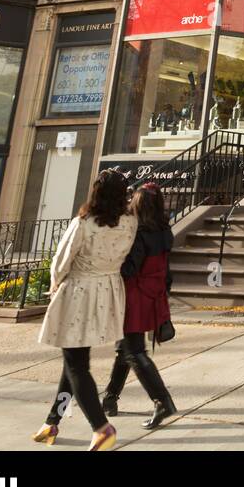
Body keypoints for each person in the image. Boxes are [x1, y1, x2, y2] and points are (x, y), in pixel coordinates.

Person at [33, 169, 137, 451]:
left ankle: (101, 427)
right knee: (74, 359)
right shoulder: (130, 223)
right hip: (109, 292)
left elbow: (61, 259)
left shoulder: (84, 223)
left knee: (77, 363)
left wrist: (55, 283)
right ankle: (52, 421)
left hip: (79, 292)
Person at [100, 182, 178, 429]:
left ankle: (162, 400)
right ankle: (110, 398)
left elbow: (130, 269)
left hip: (135, 296)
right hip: (154, 294)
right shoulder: (165, 230)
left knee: (134, 350)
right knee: (126, 347)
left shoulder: (138, 233)